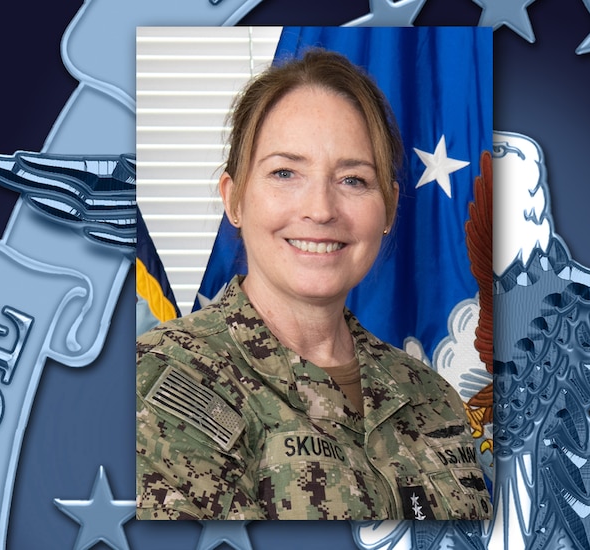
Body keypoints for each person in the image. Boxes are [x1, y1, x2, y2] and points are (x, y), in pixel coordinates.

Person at [136, 49, 492, 521]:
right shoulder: (161, 379)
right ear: (234, 199)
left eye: (353, 179)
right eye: (285, 173)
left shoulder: (432, 396)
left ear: (387, 207)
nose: (321, 209)